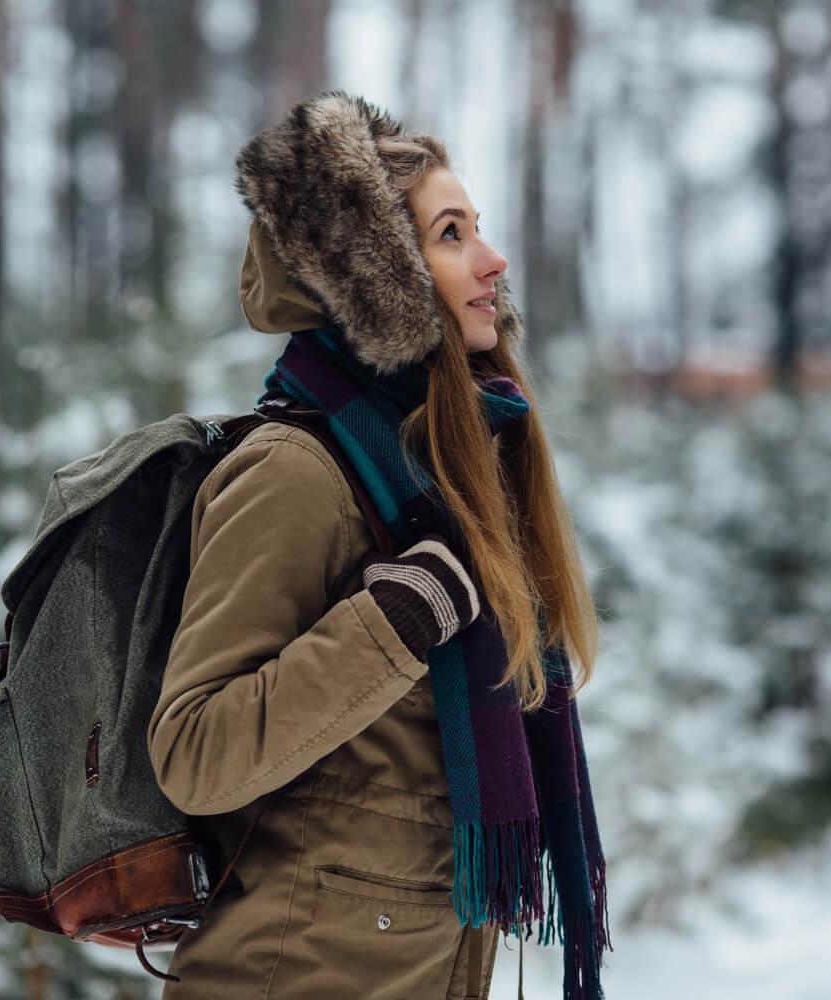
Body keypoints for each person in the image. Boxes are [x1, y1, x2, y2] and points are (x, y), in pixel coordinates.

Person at [148, 92, 609, 1000]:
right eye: (451, 234)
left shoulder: (445, 474)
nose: (493, 260)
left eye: (477, 228)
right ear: (379, 278)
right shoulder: (295, 470)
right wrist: (393, 624)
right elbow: (195, 753)